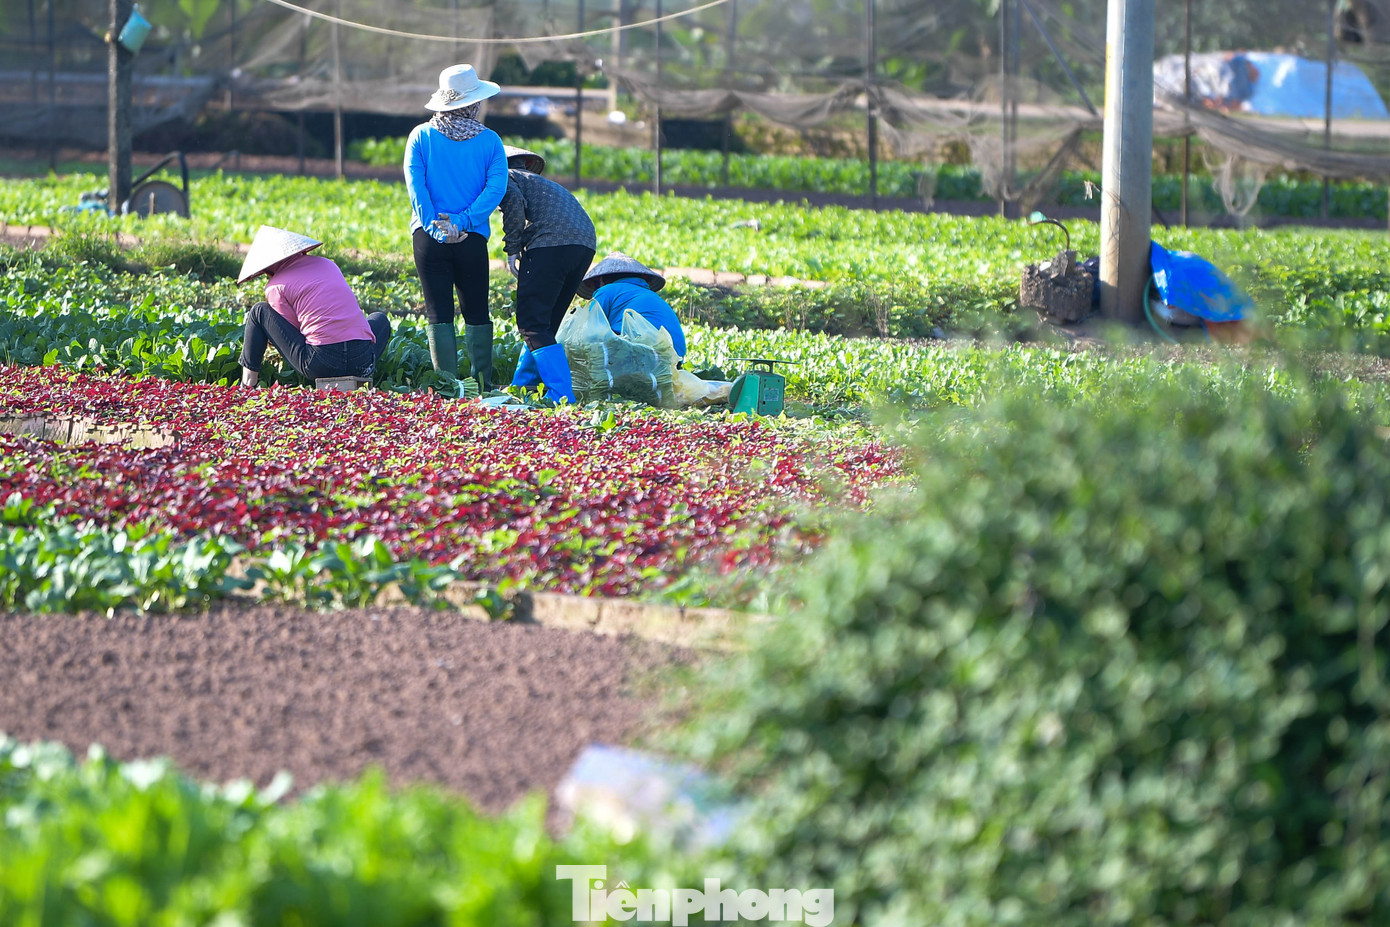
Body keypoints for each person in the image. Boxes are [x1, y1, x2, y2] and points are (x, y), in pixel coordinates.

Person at [404, 63, 507, 388]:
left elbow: (416, 189)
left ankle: (448, 385)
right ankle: (482, 384)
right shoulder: (490, 141)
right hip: (471, 237)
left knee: (438, 312)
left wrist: (436, 228)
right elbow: (495, 188)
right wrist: (463, 222)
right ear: (473, 103)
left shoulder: (420, 136)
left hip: (428, 238)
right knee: (476, 310)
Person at [235, 225, 390, 388]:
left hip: (321, 363)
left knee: (259, 311)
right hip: (361, 360)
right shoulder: (328, 264)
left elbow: (294, 330)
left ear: (268, 266)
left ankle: (247, 384)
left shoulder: (275, 287)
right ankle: (360, 375)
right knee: (380, 319)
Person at [500, 146, 596, 403]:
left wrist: (512, 248)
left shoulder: (505, 176)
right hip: (584, 246)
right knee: (545, 323)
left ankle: (562, 395)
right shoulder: (542, 184)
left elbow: (513, 204)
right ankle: (523, 386)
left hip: (551, 244)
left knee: (532, 323)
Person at [575, 252, 687, 361]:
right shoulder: (653, 297)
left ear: (602, 280)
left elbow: (587, 330)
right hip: (674, 360)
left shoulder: (606, 291)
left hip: (642, 356)